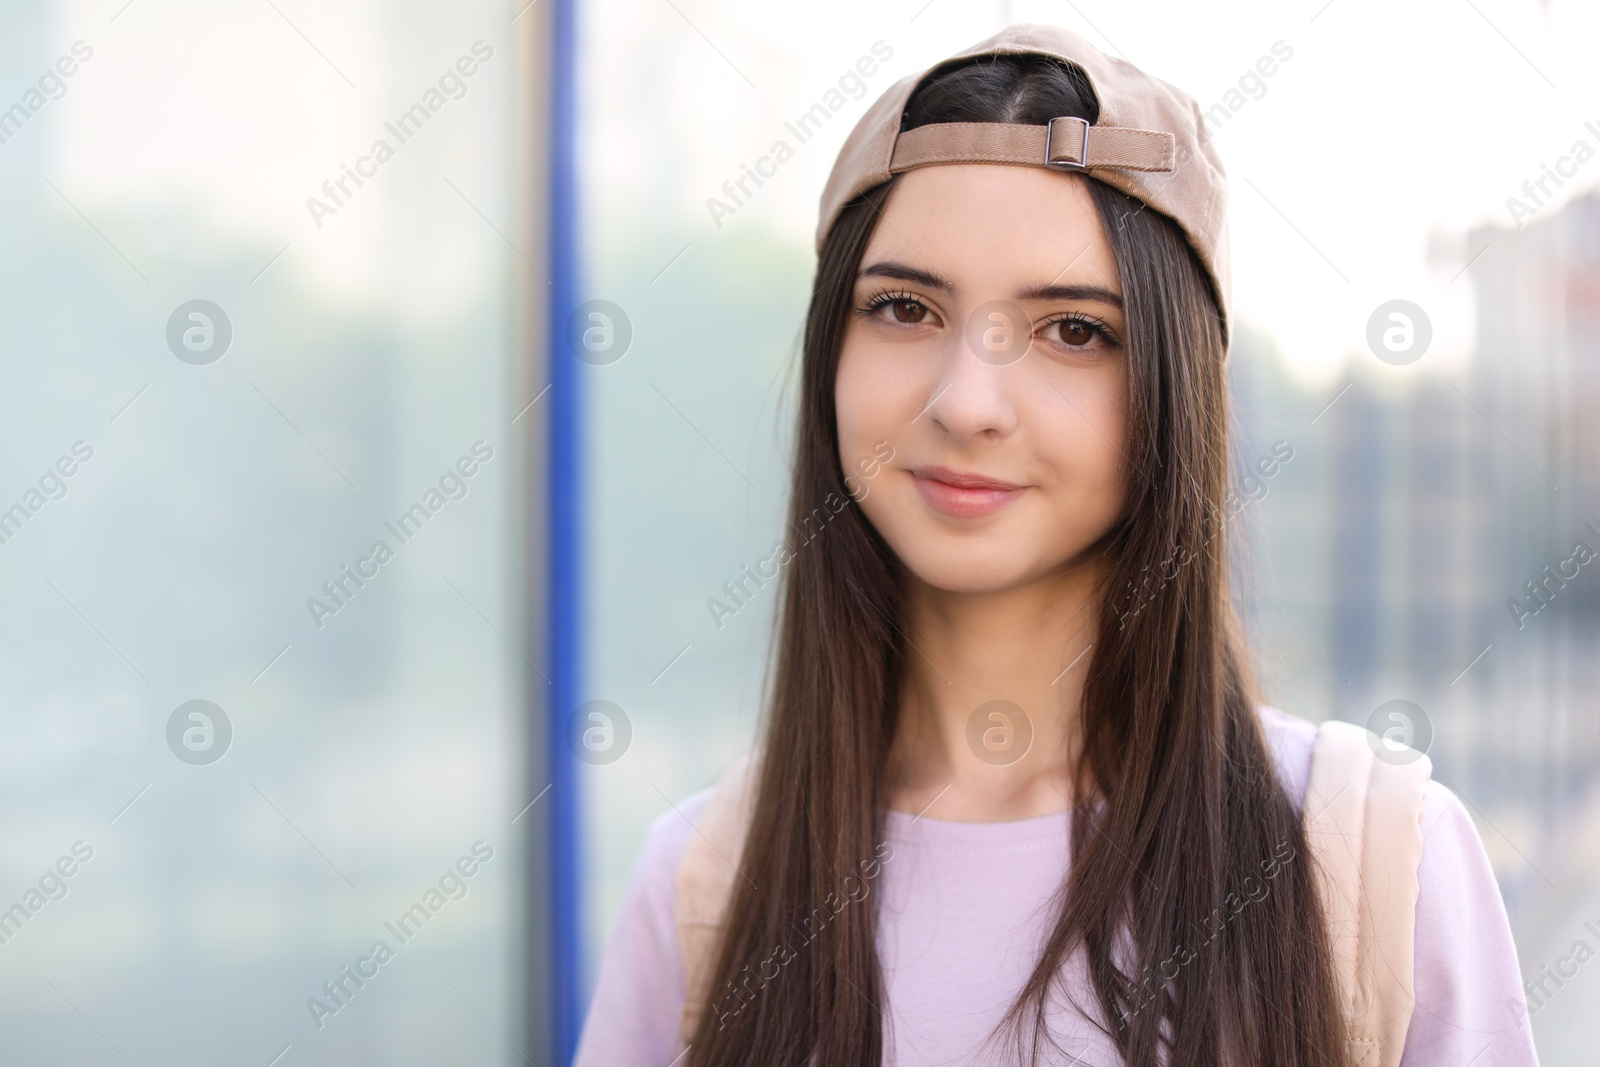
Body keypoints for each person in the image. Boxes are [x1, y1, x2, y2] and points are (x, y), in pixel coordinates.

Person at [574, 24, 1539, 1067]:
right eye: (902, 307)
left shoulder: (1371, 857)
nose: (966, 400)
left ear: (1174, 390)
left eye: (1073, 329)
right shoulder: (704, 883)